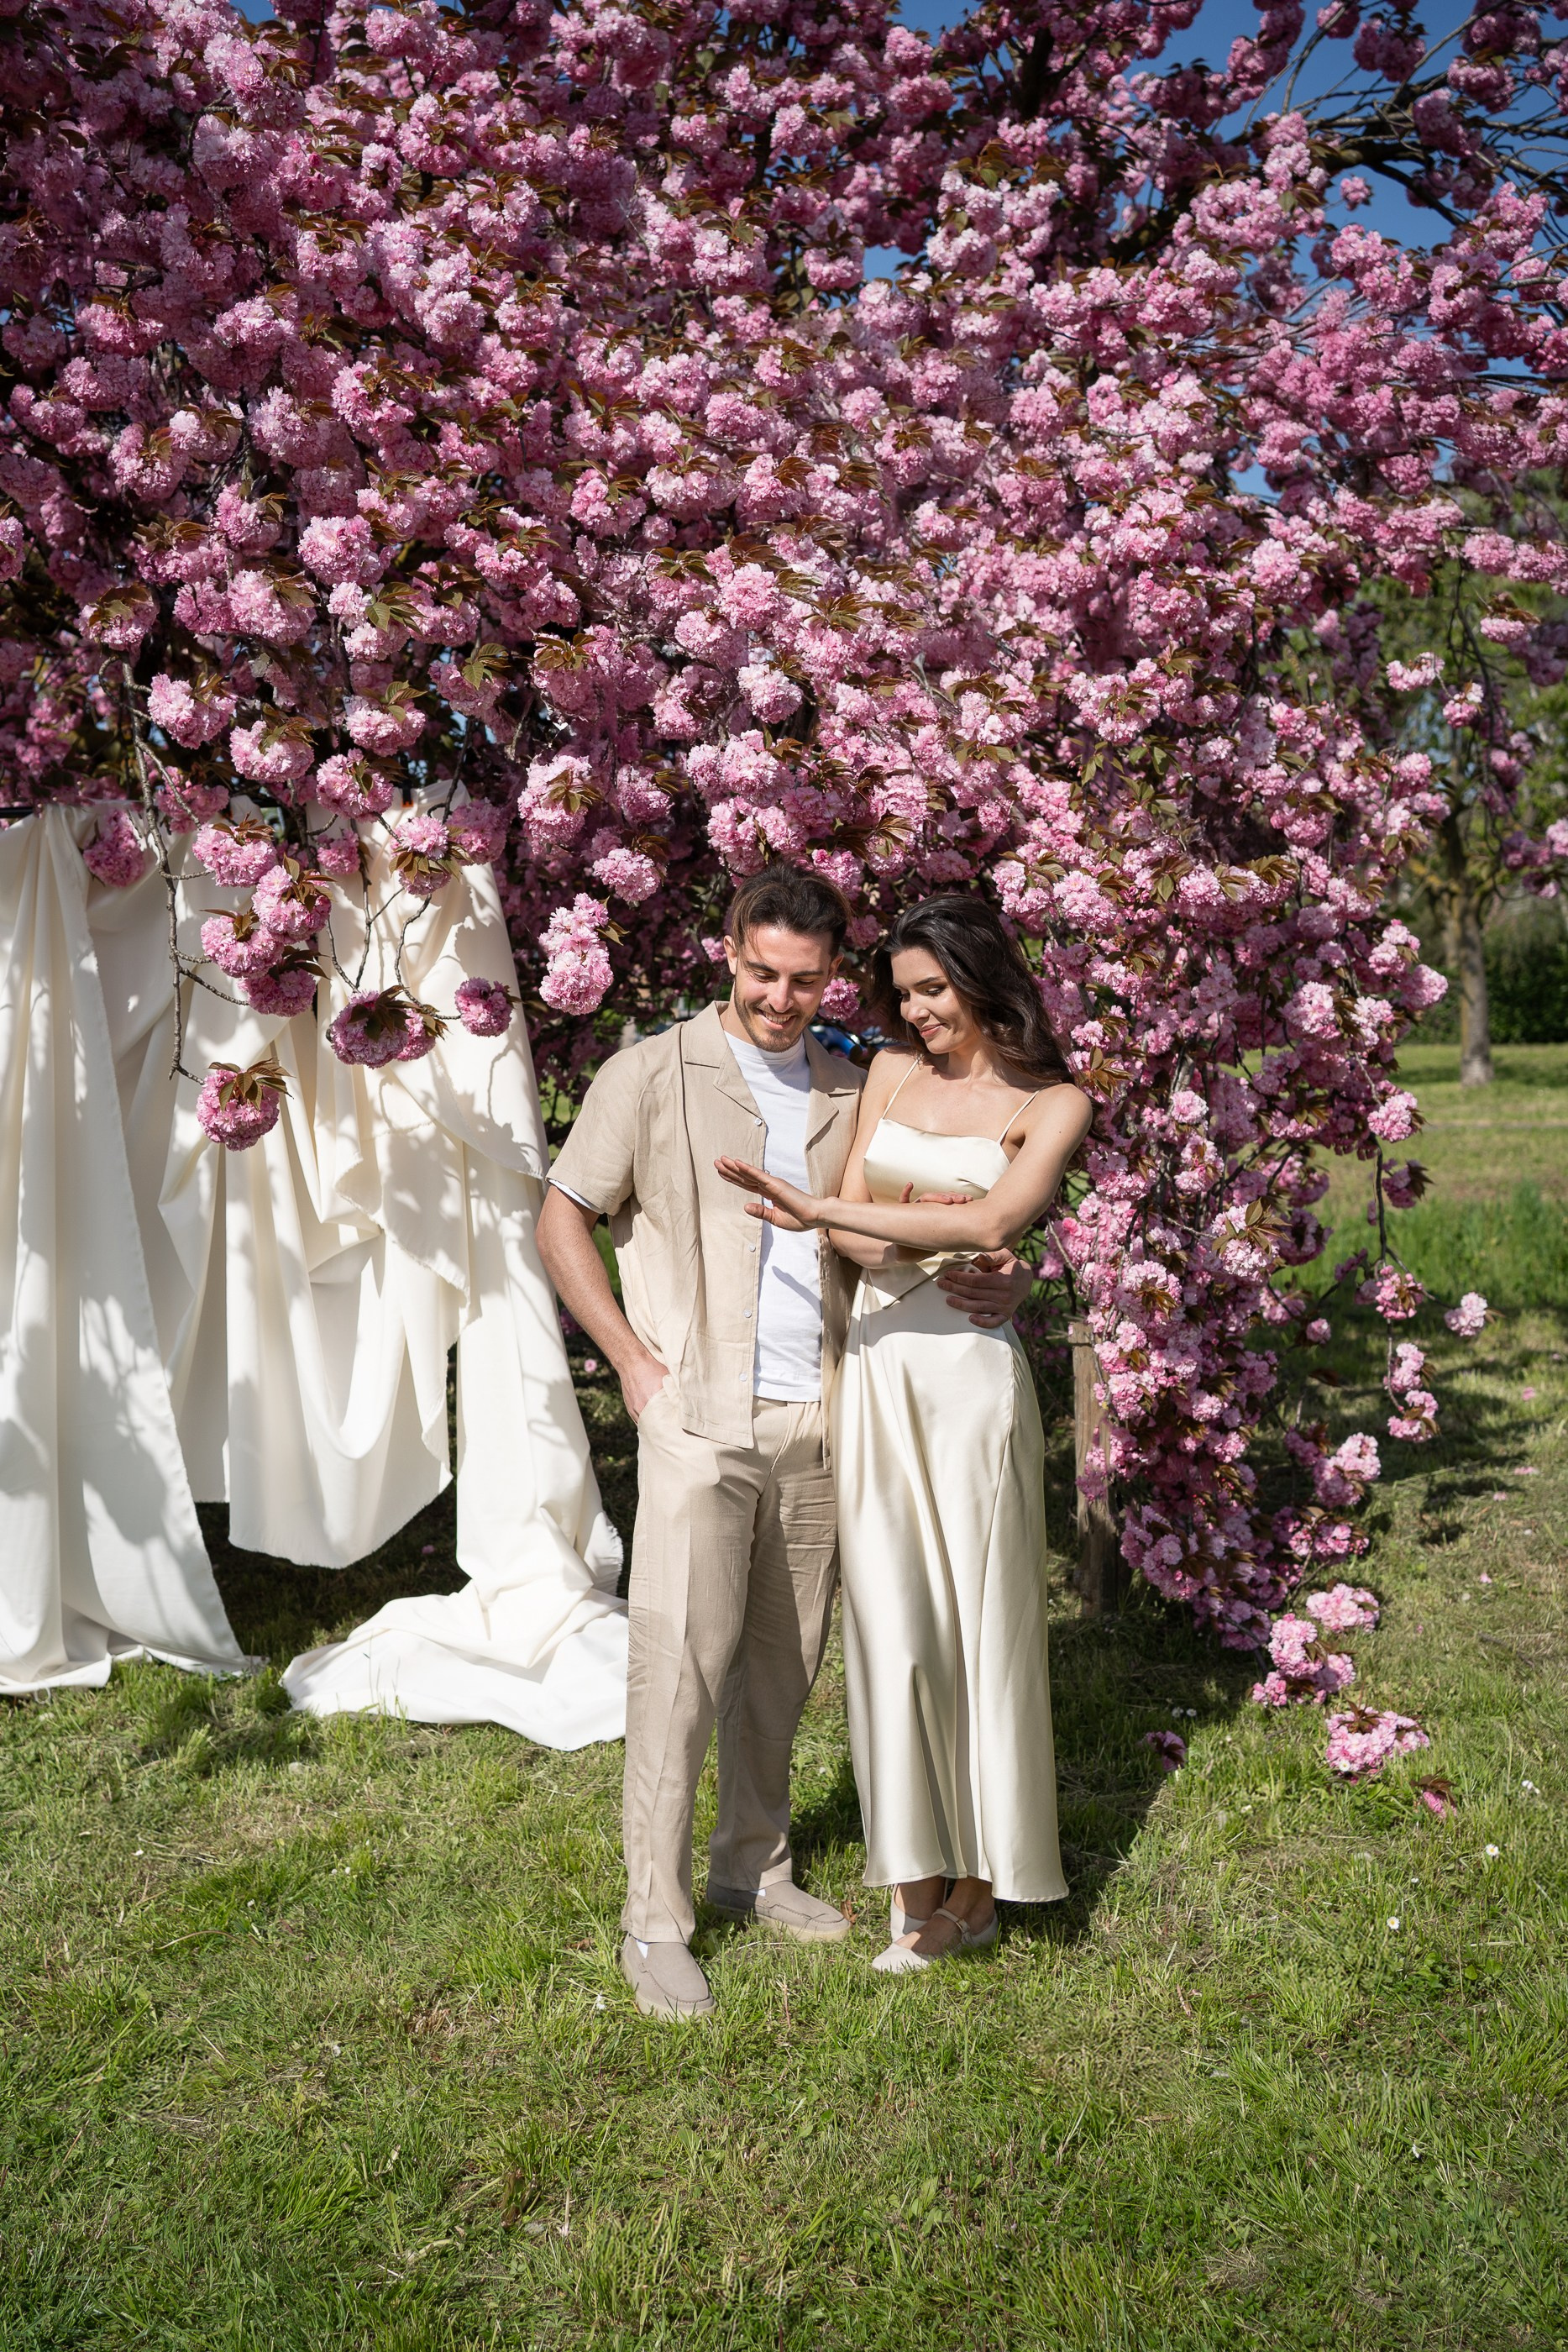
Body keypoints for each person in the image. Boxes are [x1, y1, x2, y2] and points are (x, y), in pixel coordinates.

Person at [536, 867, 1036, 2019]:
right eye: (762, 972)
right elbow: (561, 1217)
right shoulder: (647, 1074)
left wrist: (1008, 1273)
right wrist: (632, 1362)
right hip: (696, 1416)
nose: (779, 996)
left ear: (830, 977)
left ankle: (751, 1867)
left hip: (825, 1415)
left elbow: (933, 1209)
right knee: (679, 1670)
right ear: (727, 952)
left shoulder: (855, 1085)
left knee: (782, 1665)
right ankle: (653, 1919)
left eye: (804, 980)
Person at [716, 895, 1093, 1973]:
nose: (918, 1011)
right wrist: (864, 1226)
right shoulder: (886, 1073)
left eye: (935, 990)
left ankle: (977, 1891)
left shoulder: (1054, 1101)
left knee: (981, 1626)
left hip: (968, 1382)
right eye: (904, 993)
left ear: (983, 977)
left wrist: (838, 1216)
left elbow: (992, 1219)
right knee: (891, 1625)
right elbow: (859, 1235)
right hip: (878, 1372)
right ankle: (913, 1870)